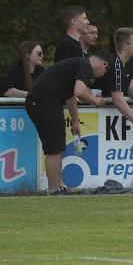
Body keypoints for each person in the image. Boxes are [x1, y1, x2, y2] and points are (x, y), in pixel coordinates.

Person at [24, 55, 108, 194]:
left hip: (46, 103)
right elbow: (79, 91)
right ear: (103, 64)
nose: (101, 76)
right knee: (53, 148)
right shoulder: (84, 65)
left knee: (57, 146)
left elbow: (70, 96)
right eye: (105, 71)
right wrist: (94, 100)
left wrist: (75, 121)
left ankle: (59, 186)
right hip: (43, 103)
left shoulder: (74, 67)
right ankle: (53, 189)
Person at [101, 28, 133, 139]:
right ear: (125, 46)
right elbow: (118, 100)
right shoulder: (115, 64)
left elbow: (131, 89)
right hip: (100, 117)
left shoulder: (128, 63)